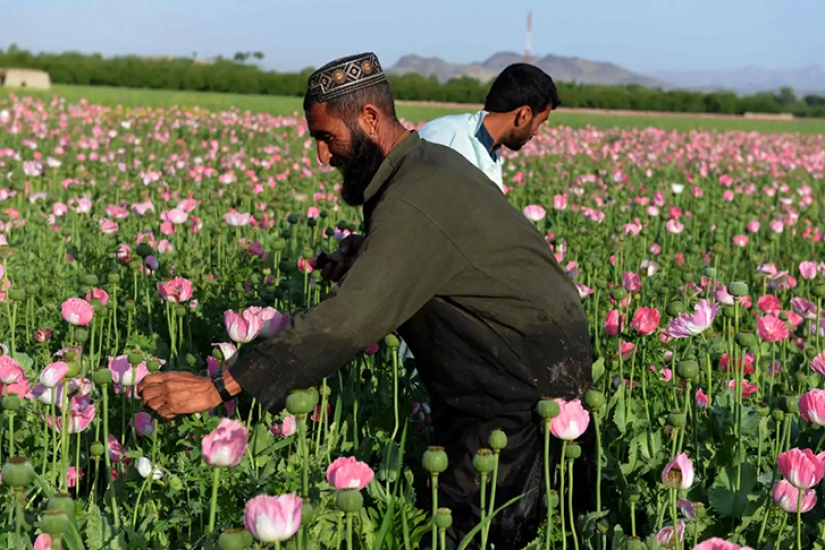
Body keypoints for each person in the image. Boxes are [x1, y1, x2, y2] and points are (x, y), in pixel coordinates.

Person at [138, 52, 592, 550]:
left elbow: (349, 322)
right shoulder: (423, 166)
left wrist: (219, 386)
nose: (321, 156)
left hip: (523, 378)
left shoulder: (414, 196)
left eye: (326, 137)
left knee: (482, 529)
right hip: (508, 361)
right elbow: (445, 255)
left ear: (370, 118)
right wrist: (367, 253)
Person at [418, 63, 560, 192]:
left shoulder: (491, 155)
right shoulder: (445, 134)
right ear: (524, 116)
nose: (536, 132)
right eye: (539, 123)